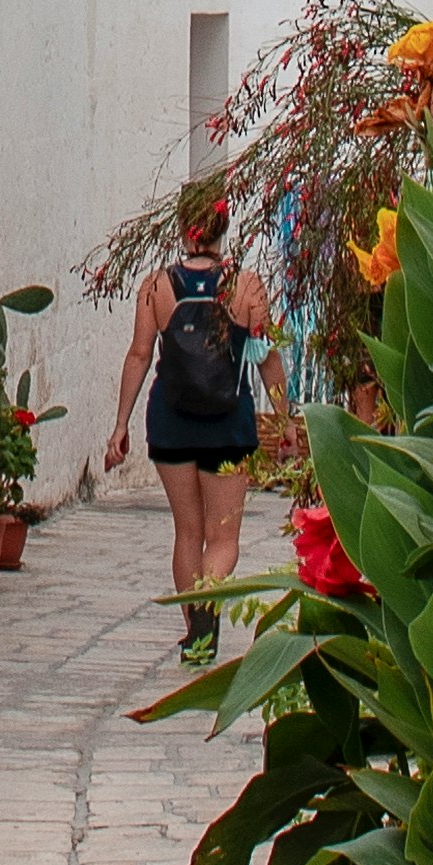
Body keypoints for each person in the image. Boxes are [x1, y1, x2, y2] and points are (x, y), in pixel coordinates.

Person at [105, 181, 276, 641]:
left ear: (183, 225)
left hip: (172, 424)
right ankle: (207, 606)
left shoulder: (157, 286)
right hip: (228, 426)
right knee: (223, 538)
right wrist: (285, 414)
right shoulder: (245, 284)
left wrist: (120, 424)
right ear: (224, 225)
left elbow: (139, 354)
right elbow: (265, 352)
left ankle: (196, 632)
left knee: (187, 532)